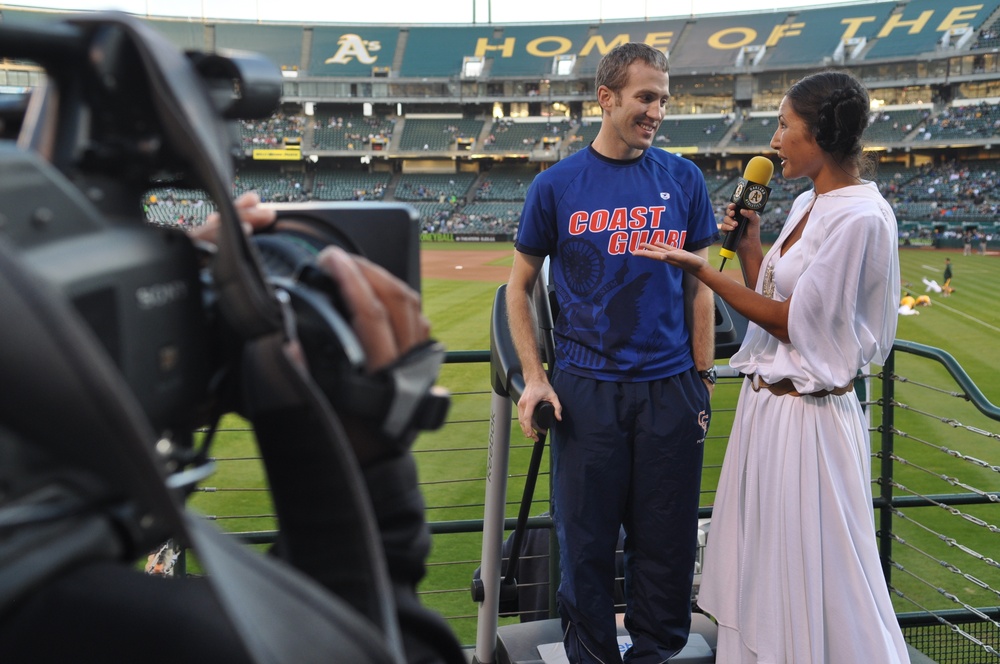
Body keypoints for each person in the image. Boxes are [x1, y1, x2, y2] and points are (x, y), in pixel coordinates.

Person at [634, 70, 910, 663]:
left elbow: (794, 324)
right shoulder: (812, 201)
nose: (775, 140)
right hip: (770, 415)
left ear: (821, 135)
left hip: (808, 424)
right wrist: (753, 243)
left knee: (820, 571)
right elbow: (774, 294)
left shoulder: (861, 216)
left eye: (785, 126)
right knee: (769, 569)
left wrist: (701, 269)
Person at [506, 42, 718, 663]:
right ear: (607, 98)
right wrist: (533, 378)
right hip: (585, 391)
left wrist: (701, 377)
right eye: (646, 97)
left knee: (667, 543)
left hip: (670, 390)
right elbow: (517, 288)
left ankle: (653, 655)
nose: (657, 111)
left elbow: (698, 287)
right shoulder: (556, 185)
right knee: (586, 545)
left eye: (663, 100)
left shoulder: (683, 178)